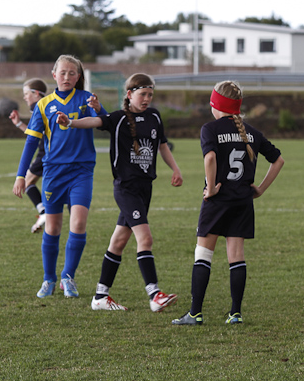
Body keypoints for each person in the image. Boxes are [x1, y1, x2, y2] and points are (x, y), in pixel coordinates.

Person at [57, 73, 182, 312]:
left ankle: (100, 296)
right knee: (145, 239)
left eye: (150, 95)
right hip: (126, 189)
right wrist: (70, 122)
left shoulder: (154, 116)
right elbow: (94, 121)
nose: (147, 99)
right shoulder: (118, 118)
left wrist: (175, 169)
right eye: (142, 94)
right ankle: (154, 294)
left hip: (145, 188)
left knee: (119, 241)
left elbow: (162, 145)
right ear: (129, 94)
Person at [172, 80, 284, 326]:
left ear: (217, 104)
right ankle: (235, 313)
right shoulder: (251, 132)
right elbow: (278, 160)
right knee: (236, 257)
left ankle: (195, 313)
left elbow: (210, 158)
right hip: (242, 201)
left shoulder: (210, 129)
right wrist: (260, 189)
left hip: (217, 201)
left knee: (203, 255)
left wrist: (211, 188)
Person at [12, 55, 107, 299]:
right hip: (54, 172)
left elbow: (104, 122)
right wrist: (21, 175)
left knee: (79, 224)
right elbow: (31, 142)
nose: (67, 77)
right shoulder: (44, 105)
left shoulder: (86, 99)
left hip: (81, 171)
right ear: (54, 75)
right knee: (52, 227)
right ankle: (49, 279)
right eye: (62, 73)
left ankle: (68, 276)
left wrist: (99, 108)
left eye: (72, 73)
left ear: (78, 76)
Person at [9, 78, 49, 233]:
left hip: (45, 153)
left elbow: (36, 136)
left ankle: (44, 213)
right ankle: (44, 212)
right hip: (47, 151)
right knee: (30, 182)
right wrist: (19, 124)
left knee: (26, 182)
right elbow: (35, 132)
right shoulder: (47, 105)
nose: (25, 97)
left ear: (36, 93)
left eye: (26, 93)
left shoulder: (37, 106)